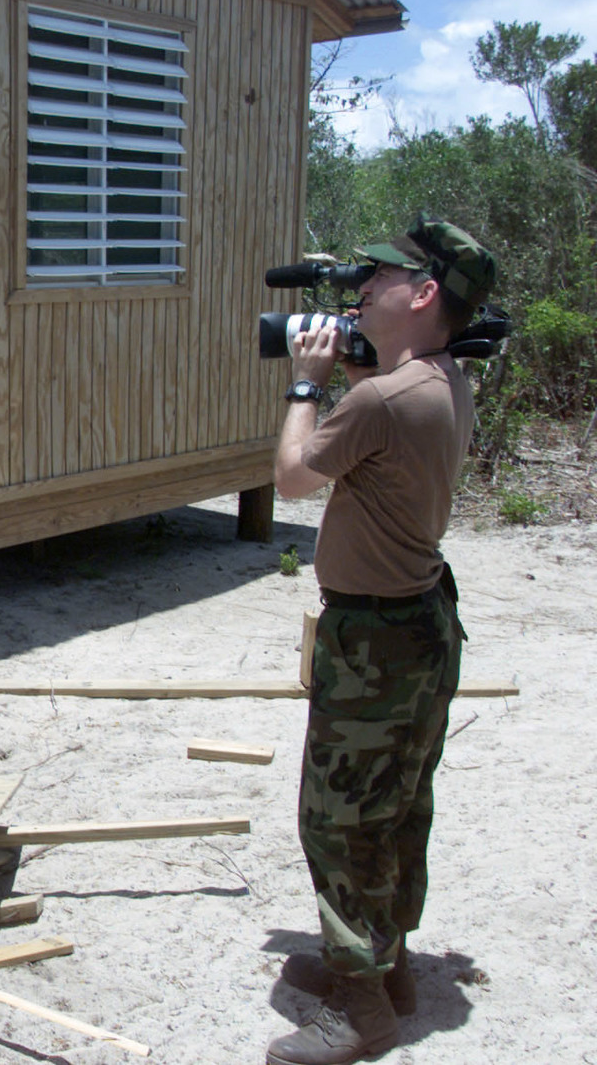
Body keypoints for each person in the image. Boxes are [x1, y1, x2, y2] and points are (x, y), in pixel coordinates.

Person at [267, 215, 497, 1065]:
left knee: (338, 821)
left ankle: (360, 1005)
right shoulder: (441, 380)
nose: (364, 289)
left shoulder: (380, 399)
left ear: (425, 292)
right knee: (397, 803)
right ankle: (389, 965)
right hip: (422, 620)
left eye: (384, 278)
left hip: (372, 639)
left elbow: (291, 476)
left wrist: (305, 383)